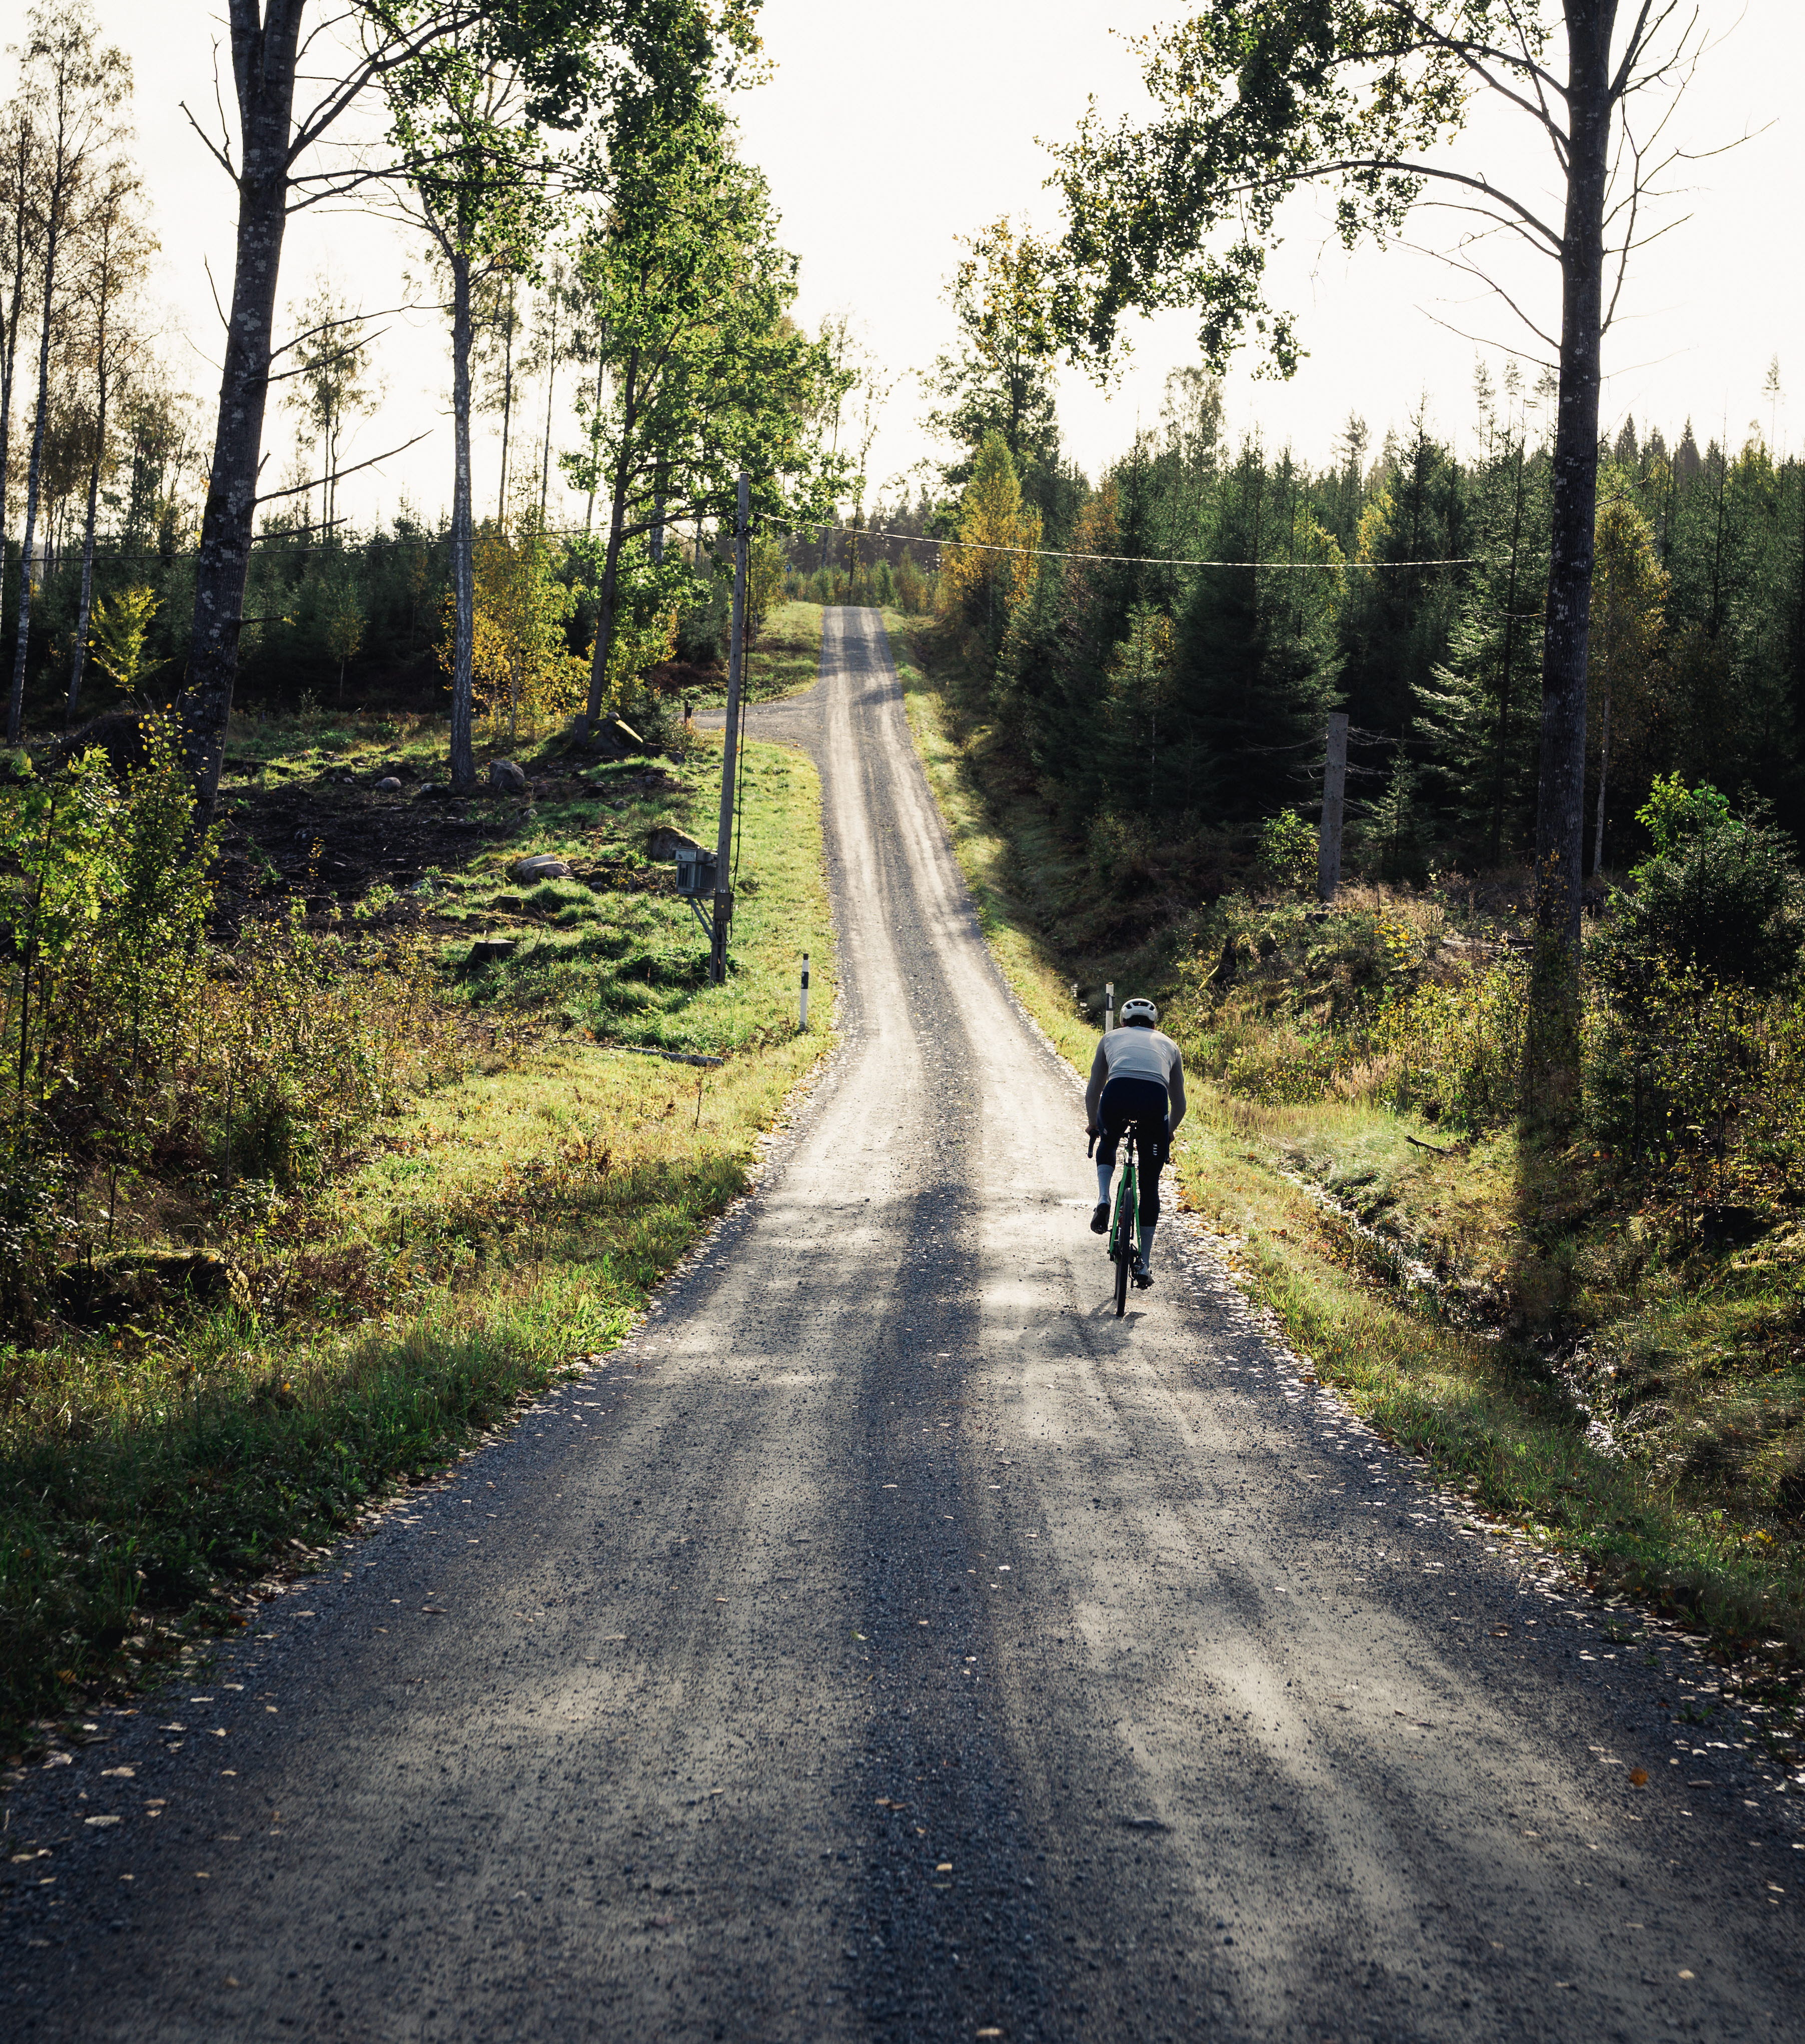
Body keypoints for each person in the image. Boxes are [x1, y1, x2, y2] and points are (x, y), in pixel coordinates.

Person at [1085, 996, 1186, 1288]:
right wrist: (1168, 1132)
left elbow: (1095, 1089)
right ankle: (1144, 1263)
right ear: (1155, 1024)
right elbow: (1179, 1104)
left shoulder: (1110, 1038)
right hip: (1154, 1102)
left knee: (1108, 1138)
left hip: (1117, 1095)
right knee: (1150, 1186)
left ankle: (1104, 1198)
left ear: (1123, 1022)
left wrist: (1095, 1124)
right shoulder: (1170, 1045)